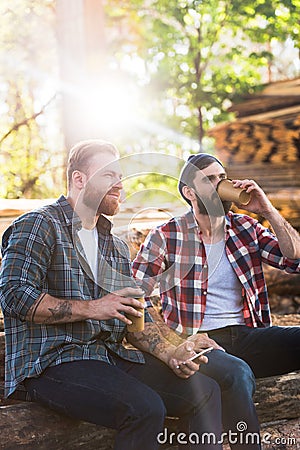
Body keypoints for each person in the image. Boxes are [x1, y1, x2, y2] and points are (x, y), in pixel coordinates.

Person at [0, 141, 225, 450]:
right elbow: (14, 295)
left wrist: (172, 352)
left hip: (107, 357)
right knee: (144, 408)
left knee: (206, 392)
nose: (120, 184)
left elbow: (137, 316)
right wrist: (94, 308)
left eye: (120, 176)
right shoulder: (39, 224)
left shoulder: (115, 245)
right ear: (79, 179)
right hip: (50, 362)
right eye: (108, 175)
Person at [132, 153, 300, 447]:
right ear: (189, 191)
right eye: (210, 180)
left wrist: (268, 209)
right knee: (237, 374)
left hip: (249, 337)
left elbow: (294, 258)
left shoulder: (246, 228)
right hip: (198, 344)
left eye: (222, 178)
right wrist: (173, 342)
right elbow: (134, 296)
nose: (220, 184)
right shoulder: (166, 236)